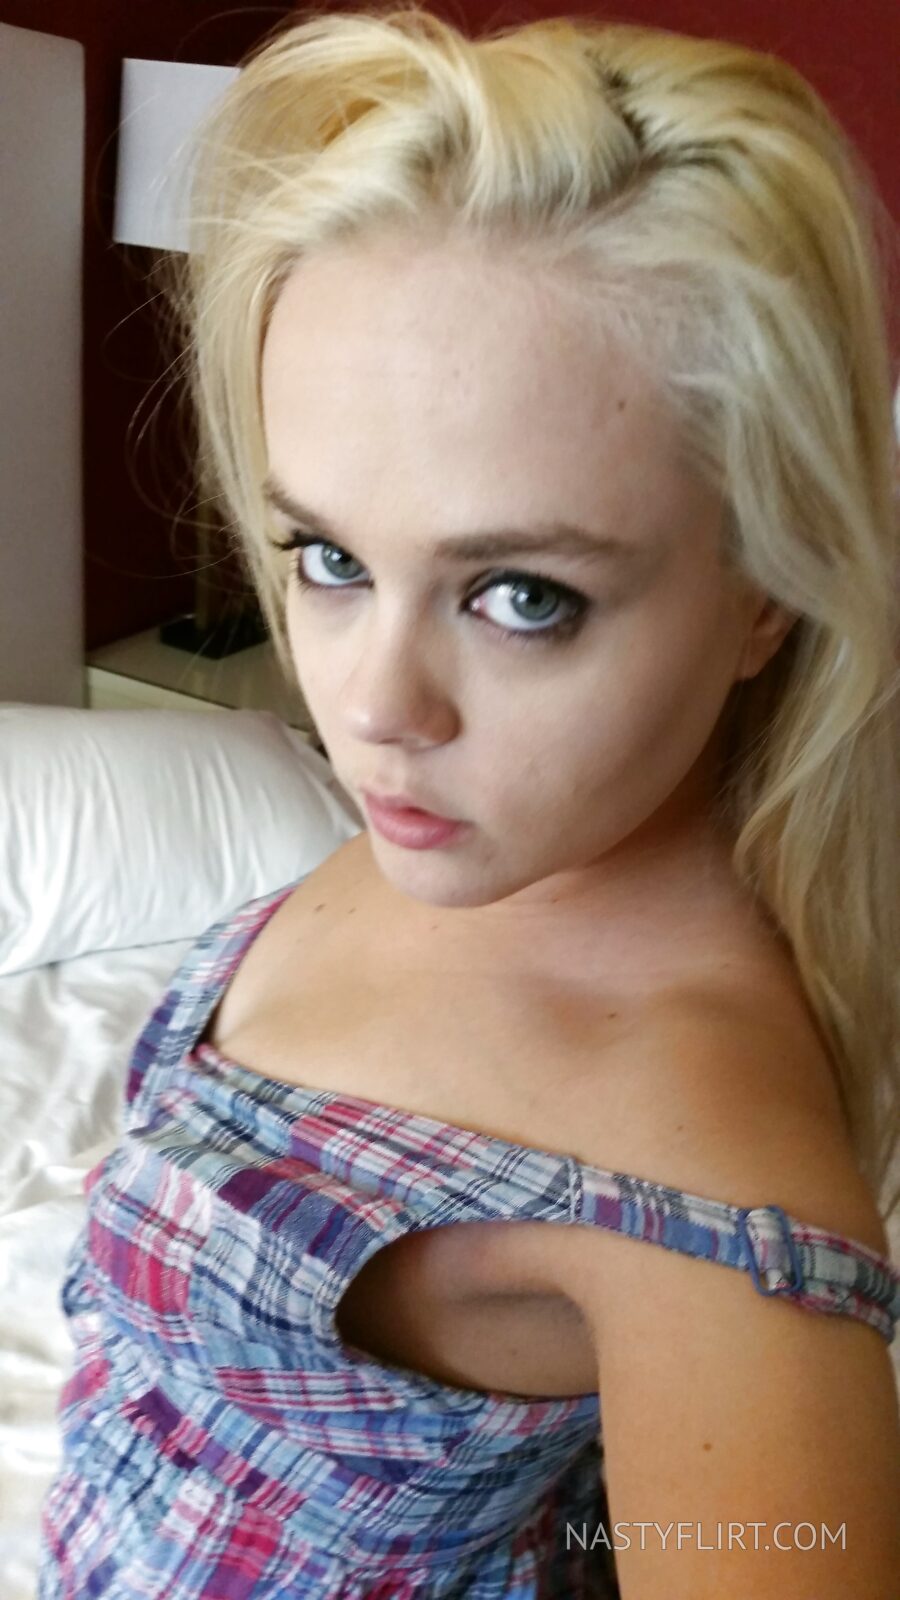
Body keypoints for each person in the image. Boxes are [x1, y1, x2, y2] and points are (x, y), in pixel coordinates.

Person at [39, 5, 900, 1596]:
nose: (374, 710)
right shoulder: (483, 835)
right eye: (329, 557)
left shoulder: (705, 1213)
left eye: (522, 597)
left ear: (770, 588)